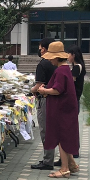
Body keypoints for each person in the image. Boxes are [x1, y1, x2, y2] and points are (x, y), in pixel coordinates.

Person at [37, 41, 80, 178]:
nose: (49, 60)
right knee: (66, 137)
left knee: (62, 138)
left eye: (50, 58)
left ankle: (64, 169)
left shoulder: (61, 71)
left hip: (62, 109)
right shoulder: (66, 69)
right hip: (66, 108)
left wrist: (44, 90)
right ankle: (71, 164)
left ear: (55, 57)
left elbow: (57, 90)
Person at [54, 46, 85, 165]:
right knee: (71, 126)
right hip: (76, 99)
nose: (67, 57)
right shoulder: (78, 67)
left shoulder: (77, 68)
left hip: (73, 99)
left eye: (69, 54)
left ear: (74, 55)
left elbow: (69, 84)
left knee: (69, 127)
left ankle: (72, 153)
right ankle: (70, 155)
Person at [30, 38, 56, 170]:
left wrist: (31, 90)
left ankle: (47, 161)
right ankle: (59, 159)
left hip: (45, 100)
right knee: (55, 130)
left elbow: (39, 85)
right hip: (56, 100)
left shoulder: (43, 64)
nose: (39, 51)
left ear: (45, 49)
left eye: (40, 49)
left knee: (45, 130)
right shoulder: (58, 64)